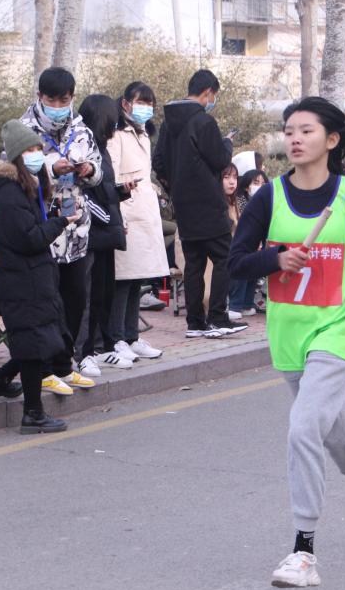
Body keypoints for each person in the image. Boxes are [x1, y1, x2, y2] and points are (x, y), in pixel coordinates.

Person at [228, 96, 345, 588]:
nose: (295, 138)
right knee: (330, 429)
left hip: (337, 327)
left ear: (331, 140)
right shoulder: (268, 197)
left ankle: (303, 552)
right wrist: (275, 259)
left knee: (303, 428)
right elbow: (236, 263)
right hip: (288, 333)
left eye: (306, 130)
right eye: (289, 130)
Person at [0, 121, 83, 434]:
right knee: (34, 344)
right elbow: (29, 239)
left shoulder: (22, 189)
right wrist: (60, 223)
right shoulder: (8, 195)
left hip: (33, 277)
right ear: (15, 156)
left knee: (39, 341)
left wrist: (53, 219)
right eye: (30, 150)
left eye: (39, 148)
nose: (37, 155)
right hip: (22, 280)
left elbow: (31, 231)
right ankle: (33, 414)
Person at [18, 67, 100, 386]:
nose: (57, 106)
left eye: (63, 100)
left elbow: (99, 172)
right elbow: (12, 170)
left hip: (75, 229)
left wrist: (88, 169)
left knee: (75, 298)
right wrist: (52, 168)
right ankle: (43, 367)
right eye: (51, 100)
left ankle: (65, 361)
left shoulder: (81, 129)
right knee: (45, 300)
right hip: (40, 227)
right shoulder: (24, 129)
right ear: (40, 96)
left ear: (72, 98)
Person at [154, 69, 246, 338]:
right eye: (213, 96)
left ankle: (195, 323)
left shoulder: (168, 124)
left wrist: (175, 187)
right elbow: (220, 160)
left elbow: (158, 163)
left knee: (193, 264)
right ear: (208, 92)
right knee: (225, 257)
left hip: (183, 206)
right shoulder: (203, 122)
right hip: (208, 203)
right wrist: (226, 144)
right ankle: (218, 317)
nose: (212, 101)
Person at [99, 81, 168, 367]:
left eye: (149, 103)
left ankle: (131, 336)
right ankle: (116, 338)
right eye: (140, 102)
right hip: (126, 211)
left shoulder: (143, 134)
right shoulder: (117, 134)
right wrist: (120, 214)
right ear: (125, 103)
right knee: (123, 280)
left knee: (138, 278)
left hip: (145, 214)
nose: (145, 108)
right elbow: (112, 175)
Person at [76, 93, 139, 374]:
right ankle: (83, 351)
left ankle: (100, 347)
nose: (115, 127)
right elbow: (85, 196)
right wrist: (108, 217)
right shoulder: (83, 148)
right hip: (91, 233)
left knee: (102, 294)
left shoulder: (101, 149)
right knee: (87, 296)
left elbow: (103, 190)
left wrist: (120, 192)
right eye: (112, 122)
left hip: (105, 232)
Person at [229, 167, 268, 319]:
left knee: (254, 268)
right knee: (244, 264)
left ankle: (247, 303)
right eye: (256, 182)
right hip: (237, 243)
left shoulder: (263, 202)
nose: (260, 186)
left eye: (263, 183)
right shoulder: (239, 201)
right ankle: (235, 305)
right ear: (246, 186)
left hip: (255, 244)